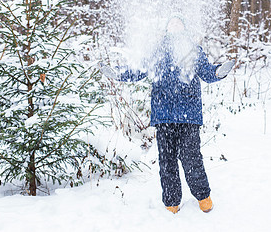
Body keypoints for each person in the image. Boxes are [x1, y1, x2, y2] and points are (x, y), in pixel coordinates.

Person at [98, 16, 235, 214]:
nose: (175, 25)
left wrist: (219, 72)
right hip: (164, 116)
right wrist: (117, 74)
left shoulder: (193, 50)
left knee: (191, 158)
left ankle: (204, 198)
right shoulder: (157, 51)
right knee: (167, 161)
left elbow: (207, 73)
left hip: (189, 115)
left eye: (179, 22)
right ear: (166, 28)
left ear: (184, 27)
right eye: (171, 23)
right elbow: (139, 70)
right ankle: (171, 204)